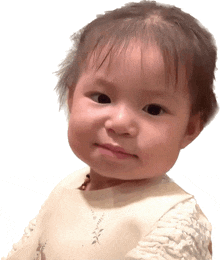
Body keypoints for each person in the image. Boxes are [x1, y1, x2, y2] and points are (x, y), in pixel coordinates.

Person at [2, 0, 218, 259]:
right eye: (102, 98)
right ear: (72, 99)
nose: (119, 123)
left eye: (153, 109)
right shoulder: (70, 185)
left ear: (190, 129)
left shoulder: (174, 221)